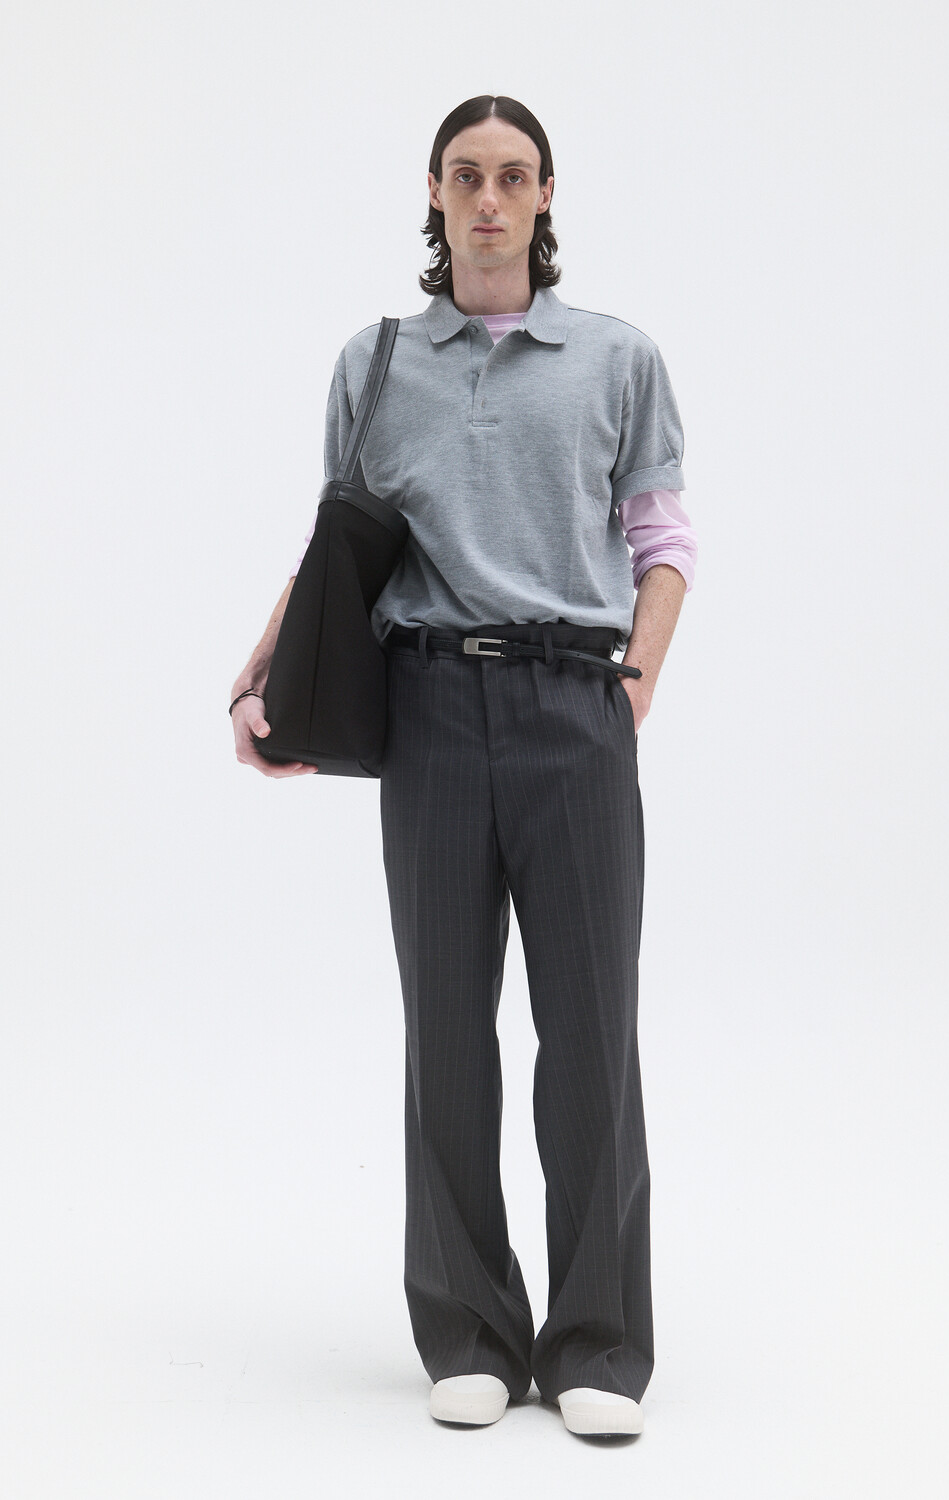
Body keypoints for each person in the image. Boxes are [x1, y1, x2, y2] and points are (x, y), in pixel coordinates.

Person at [230, 95, 697, 1440]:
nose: (489, 199)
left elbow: (664, 543)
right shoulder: (377, 363)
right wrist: (263, 681)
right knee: (445, 1028)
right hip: (431, 709)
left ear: (546, 196)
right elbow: (338, 549)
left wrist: (634, 682)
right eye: (465, 176)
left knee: (591, 1029)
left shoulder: (616, 359)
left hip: (573, 707)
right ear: (434, 197)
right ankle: (470, 1329)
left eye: (512, 176)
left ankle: (600, 1342)